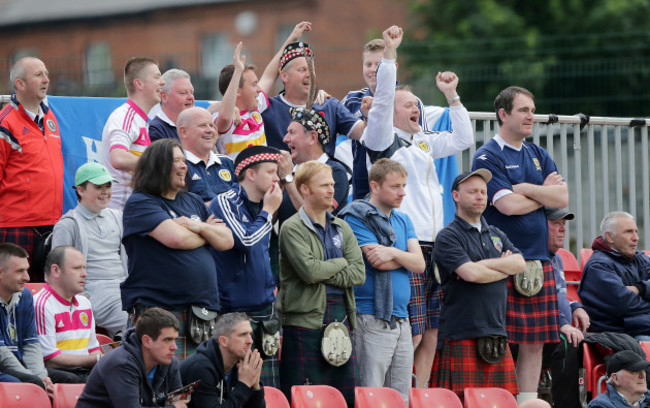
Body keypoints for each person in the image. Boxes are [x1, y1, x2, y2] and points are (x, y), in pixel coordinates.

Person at [360, 25, 474, 388]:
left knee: (431, 332)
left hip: (433, 243)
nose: (417, 107)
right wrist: (391, 54)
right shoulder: (381, 138)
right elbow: (381, 101)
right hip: (404, 243)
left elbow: (463, 138)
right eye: (408, 103)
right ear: (389, 110)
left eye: (418, 104)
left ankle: (419, 393)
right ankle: (398, 392)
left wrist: (452, 96)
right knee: (408, 330)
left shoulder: (423, 142)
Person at [472, 85, 568, 403]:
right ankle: (501, 399)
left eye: (532, 109)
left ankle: (527, 401)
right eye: (524, 110)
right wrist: (542, 193)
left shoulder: (539, 154)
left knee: (534, 342)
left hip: (539, 261)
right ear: (503, 114)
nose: (532, 116)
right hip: (503, 261)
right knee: (500, 340)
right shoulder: (487, 155)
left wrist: (526, 187)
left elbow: (563, 197)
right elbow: (506, 207)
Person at [121, 139, 234, 359]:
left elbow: (227, 240)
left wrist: (197, 226)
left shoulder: (192, 201)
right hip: (159, 313)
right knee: (162, 388)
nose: (185, 166)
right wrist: (208, 233)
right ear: (158, 165)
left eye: (185, 160)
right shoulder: (140, 202)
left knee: (198, 387)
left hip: (200, 314)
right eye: (177, 161)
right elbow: (176, 238)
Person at [277, 160, 365, 406]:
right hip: (305, 320)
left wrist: (324, 267)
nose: (331, 190)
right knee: (306, 397)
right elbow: (310, 272)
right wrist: (341, 263)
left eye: (332, 185)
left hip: (340, 318)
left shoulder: (342, 227)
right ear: (304, 189)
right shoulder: (291, 228)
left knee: (344, 398)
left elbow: (359, 273)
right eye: (324, 185)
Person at [432, 169, 525, 399]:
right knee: (457, 403)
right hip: (461, 333)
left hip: (496, 332)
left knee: (501, 403)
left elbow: (521, 264)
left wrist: (484, 267)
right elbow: (470, 274)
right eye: (472, 191)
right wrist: (503, 270)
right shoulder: (448, 236)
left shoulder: (496, 234)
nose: (480, 196)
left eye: (483, 192)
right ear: (456, 196)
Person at [340, 159, 425, 404]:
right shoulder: (356, 216)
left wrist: (394, 253)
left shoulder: (403, 220)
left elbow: (420, 265)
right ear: (375, 186)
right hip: (371, 315)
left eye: (404, 185)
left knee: (400, 398)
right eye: (395, 186)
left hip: (401, 318)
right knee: (372, 394)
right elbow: (378, 261)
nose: (403, 192)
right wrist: (406, 257)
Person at [209, 145, 283, 386]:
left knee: (267, 390)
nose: (276, 178)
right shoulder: (225, 201)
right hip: (233, 310)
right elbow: (246, 241)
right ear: (250, 174)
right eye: (271, 172)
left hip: (265, 308)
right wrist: (269, 211)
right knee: (235, 388)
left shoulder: (264, 204)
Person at [0, 57, 63, 283]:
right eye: (38, 75)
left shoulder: (50, 118)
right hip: (17, 225)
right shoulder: (5, 123)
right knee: (16, 295)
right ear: (20, 84)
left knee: (47, 296)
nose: (46, 79)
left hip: (52, 223)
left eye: (46, 73)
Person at [342, 38, 428, 200]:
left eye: (378, 64)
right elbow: (331, 124)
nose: (373, 70)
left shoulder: (411, 102)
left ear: (391, 67)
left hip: (400, 188)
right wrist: (323, 99)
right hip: (362, 185)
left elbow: (421, 143)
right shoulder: (352, 100)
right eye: (368, 64)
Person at [51, 162, 128, 338]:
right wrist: (80, 297)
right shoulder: (67, 224)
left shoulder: (118, 217)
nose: (105, 192)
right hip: (93, 293)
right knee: (136, 321)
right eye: (98, 187)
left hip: (126, 287)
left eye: (108, 186)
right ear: (81, 190)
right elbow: (56, 273)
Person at [215, 22, 311, 160]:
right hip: (239, 181)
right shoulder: (225, 118)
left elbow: (270, 75)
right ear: (237, 91)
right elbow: (224, 117)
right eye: (254, 84)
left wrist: (291, 39)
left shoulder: (255, 107)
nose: (259, 89)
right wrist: (238, 72)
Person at [261, 39, 365, 156]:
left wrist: (370, 113)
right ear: (284, 76)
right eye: (302, 70)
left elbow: (364, 133)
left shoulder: (329, 105)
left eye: (312, 70)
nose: (309, 74)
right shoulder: (268, 110)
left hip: (325, 173)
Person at [77, 307, 188, 408]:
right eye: (168, 340)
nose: (174, 347)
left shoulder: (170, 362)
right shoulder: (121, 364)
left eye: (175, 339)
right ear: (147, 341)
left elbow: (179, 403)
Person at [101, 57, 165, 209]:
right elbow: (118, 158)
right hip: (122, 214)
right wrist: (160, 166)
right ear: (139, 84)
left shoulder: (140, 119)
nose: (162, 82)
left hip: (134, 210)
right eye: (157, 77)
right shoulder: (125, 116)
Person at [543, 207, 590, 408]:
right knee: (568, 341)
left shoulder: (557, 258)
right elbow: (539, 299)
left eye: (564, 224)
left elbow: (560, 295)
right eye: (555, 223)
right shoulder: (534, 258)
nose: (562, 229)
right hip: (533, 331)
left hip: (557, 326)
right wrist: (562, 323)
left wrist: (575, 306)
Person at [33, 246, 101, 383]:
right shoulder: (41, 304)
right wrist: (96, 359)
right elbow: (50, 359)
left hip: (84, 369)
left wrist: (101, 360)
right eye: (77, 268)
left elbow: (93, 348)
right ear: (56, 270)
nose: (84, 274)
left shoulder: (84, 303)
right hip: (62, 373)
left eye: (84, 268)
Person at [578, 212, 650, 339]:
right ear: (610, 237)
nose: (636, 238)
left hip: (641, 327)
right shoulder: (598, 266)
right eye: (628, 232)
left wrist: (640, 289)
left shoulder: (640, 258)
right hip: (621, 337)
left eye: (636, 231)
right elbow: (625, 304)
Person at [0, 243, 54, 394]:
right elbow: (1, 353)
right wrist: (34, 379)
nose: (27, 277)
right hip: (3, 366)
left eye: (27, 270)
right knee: (28, 384)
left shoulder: (25, 295)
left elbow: (31, 342)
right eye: (20, 271)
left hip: (19, 364)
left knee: (70, 379)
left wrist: (42, 377)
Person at [180, 313, 265, 408]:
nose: (250, 341)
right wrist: (244, 385)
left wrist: (255, 385)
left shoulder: (241, 364)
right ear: (224, 341)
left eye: (250, 334)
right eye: (243, 335)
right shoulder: (201, 367)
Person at [279, 106, 350, 219]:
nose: (285, 139)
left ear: (312, 137)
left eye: (292, 132)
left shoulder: (335, 171)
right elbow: (270, 221)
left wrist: (288, 179)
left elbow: (316, 218)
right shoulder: (288, 174)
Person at [177, 107, 236, 205]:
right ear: (184, 132)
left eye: (212, 126)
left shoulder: (227, 162)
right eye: (202, 126)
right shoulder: (176, 166)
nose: (209, 130)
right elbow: (179, 207)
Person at [150, 69, 195, 142]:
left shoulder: (197, 126)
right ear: (164, 96)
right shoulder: (155, 130)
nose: (191, 97)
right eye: (183, 93)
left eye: (192, 92)